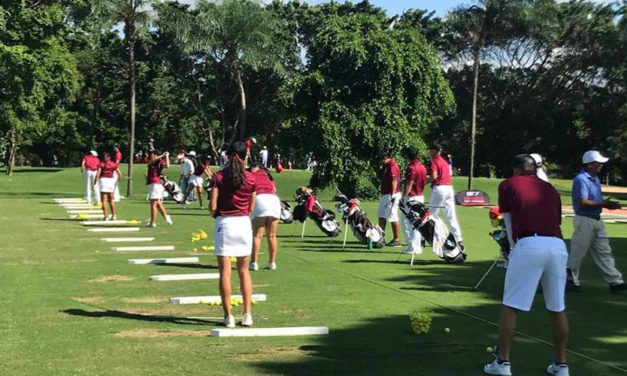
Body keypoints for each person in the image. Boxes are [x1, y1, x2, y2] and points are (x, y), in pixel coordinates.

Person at [484, 154, 569, 376]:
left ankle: (502, 362)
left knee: (511, 305)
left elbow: (509, 221)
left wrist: (512, 250)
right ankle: (561, 365)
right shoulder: (549, 188)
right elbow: (556, 221)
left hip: (529, 243)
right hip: (557, 246)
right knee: (557, 306)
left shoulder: (508, 184)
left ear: (516, 169)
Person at [210, 141, 256, 328]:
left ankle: (228, 315)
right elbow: (251, 207)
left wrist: (218, 211)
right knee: (244, 272)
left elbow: (213, 207)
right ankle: (247, 314)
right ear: (245, 156)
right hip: (243, 224)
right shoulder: (251, 178)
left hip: (225, 224)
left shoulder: (219, 176)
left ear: (228, 156)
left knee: (225, 273)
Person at [566, 150, 625, 293]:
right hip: (584, 219)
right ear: (589, 164)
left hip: (596, 219)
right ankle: (570, 280)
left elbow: (593, 201)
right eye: (598, 163)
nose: (601, 165)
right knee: (578, 252)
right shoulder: (582, 179)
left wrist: (604, 204)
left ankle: (615, 281)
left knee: (604, 250)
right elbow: (583, 202)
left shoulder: (595, 178)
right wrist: (604, 204)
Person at [428, 142, 464, 248]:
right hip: (449, 188)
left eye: (430, 150)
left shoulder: (434, 160)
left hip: (439, 189)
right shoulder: (444, 161)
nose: (429, 152)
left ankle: (426, 238)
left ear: (434, 151)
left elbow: (434, 176)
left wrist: (424, 182)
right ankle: (458, 239)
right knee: (451, 216)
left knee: (430, 216)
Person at [249, 163, 280, 271]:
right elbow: (274, 190)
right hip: (274, 201)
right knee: (272, 236)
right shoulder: (269, 176)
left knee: (257, 235)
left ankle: (254, 263)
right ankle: (272, 263)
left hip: (260, 199)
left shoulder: (251, 175)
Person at [400, 147, 427, 255]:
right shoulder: (422, 167)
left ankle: (412, 246)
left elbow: (409, 185)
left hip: (411, 198)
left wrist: (402, 198)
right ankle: (416, 246)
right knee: (417, 222)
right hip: (420, 196)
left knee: (407, 222)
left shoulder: (411, 167)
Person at [376, 150, 401, 247]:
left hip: (392, 195)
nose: (379, 162)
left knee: (393, 217)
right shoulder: (387, 166)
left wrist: (392, 195)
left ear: (385, 158)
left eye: (380, 160)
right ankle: (380, 237)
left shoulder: (392, 166)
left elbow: (394, 181)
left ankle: (396, 239)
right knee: (381, 215)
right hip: (385, 195)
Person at [146, 150, 173, 228]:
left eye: (152, 154)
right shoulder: (152, 161)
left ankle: (152, 222)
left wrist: (167, 156)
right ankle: (166, 217)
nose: (150, 156)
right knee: (158, 204)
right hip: (153, 184)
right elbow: (151, 161)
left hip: (155, 184)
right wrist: (162, 155)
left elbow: (167, 166)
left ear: (155, 154)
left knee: (153, 204)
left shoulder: (159, 161)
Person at [94, 151, 122, 221]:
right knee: (111, 199)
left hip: (103, 180)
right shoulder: (113, 164)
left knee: (104, 199)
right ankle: (114, 215)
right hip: (111, 181)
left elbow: (98, 173)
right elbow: (120, 174)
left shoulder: (101, 164)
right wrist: (116, 181)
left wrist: (95, 181)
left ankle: (106, 216)